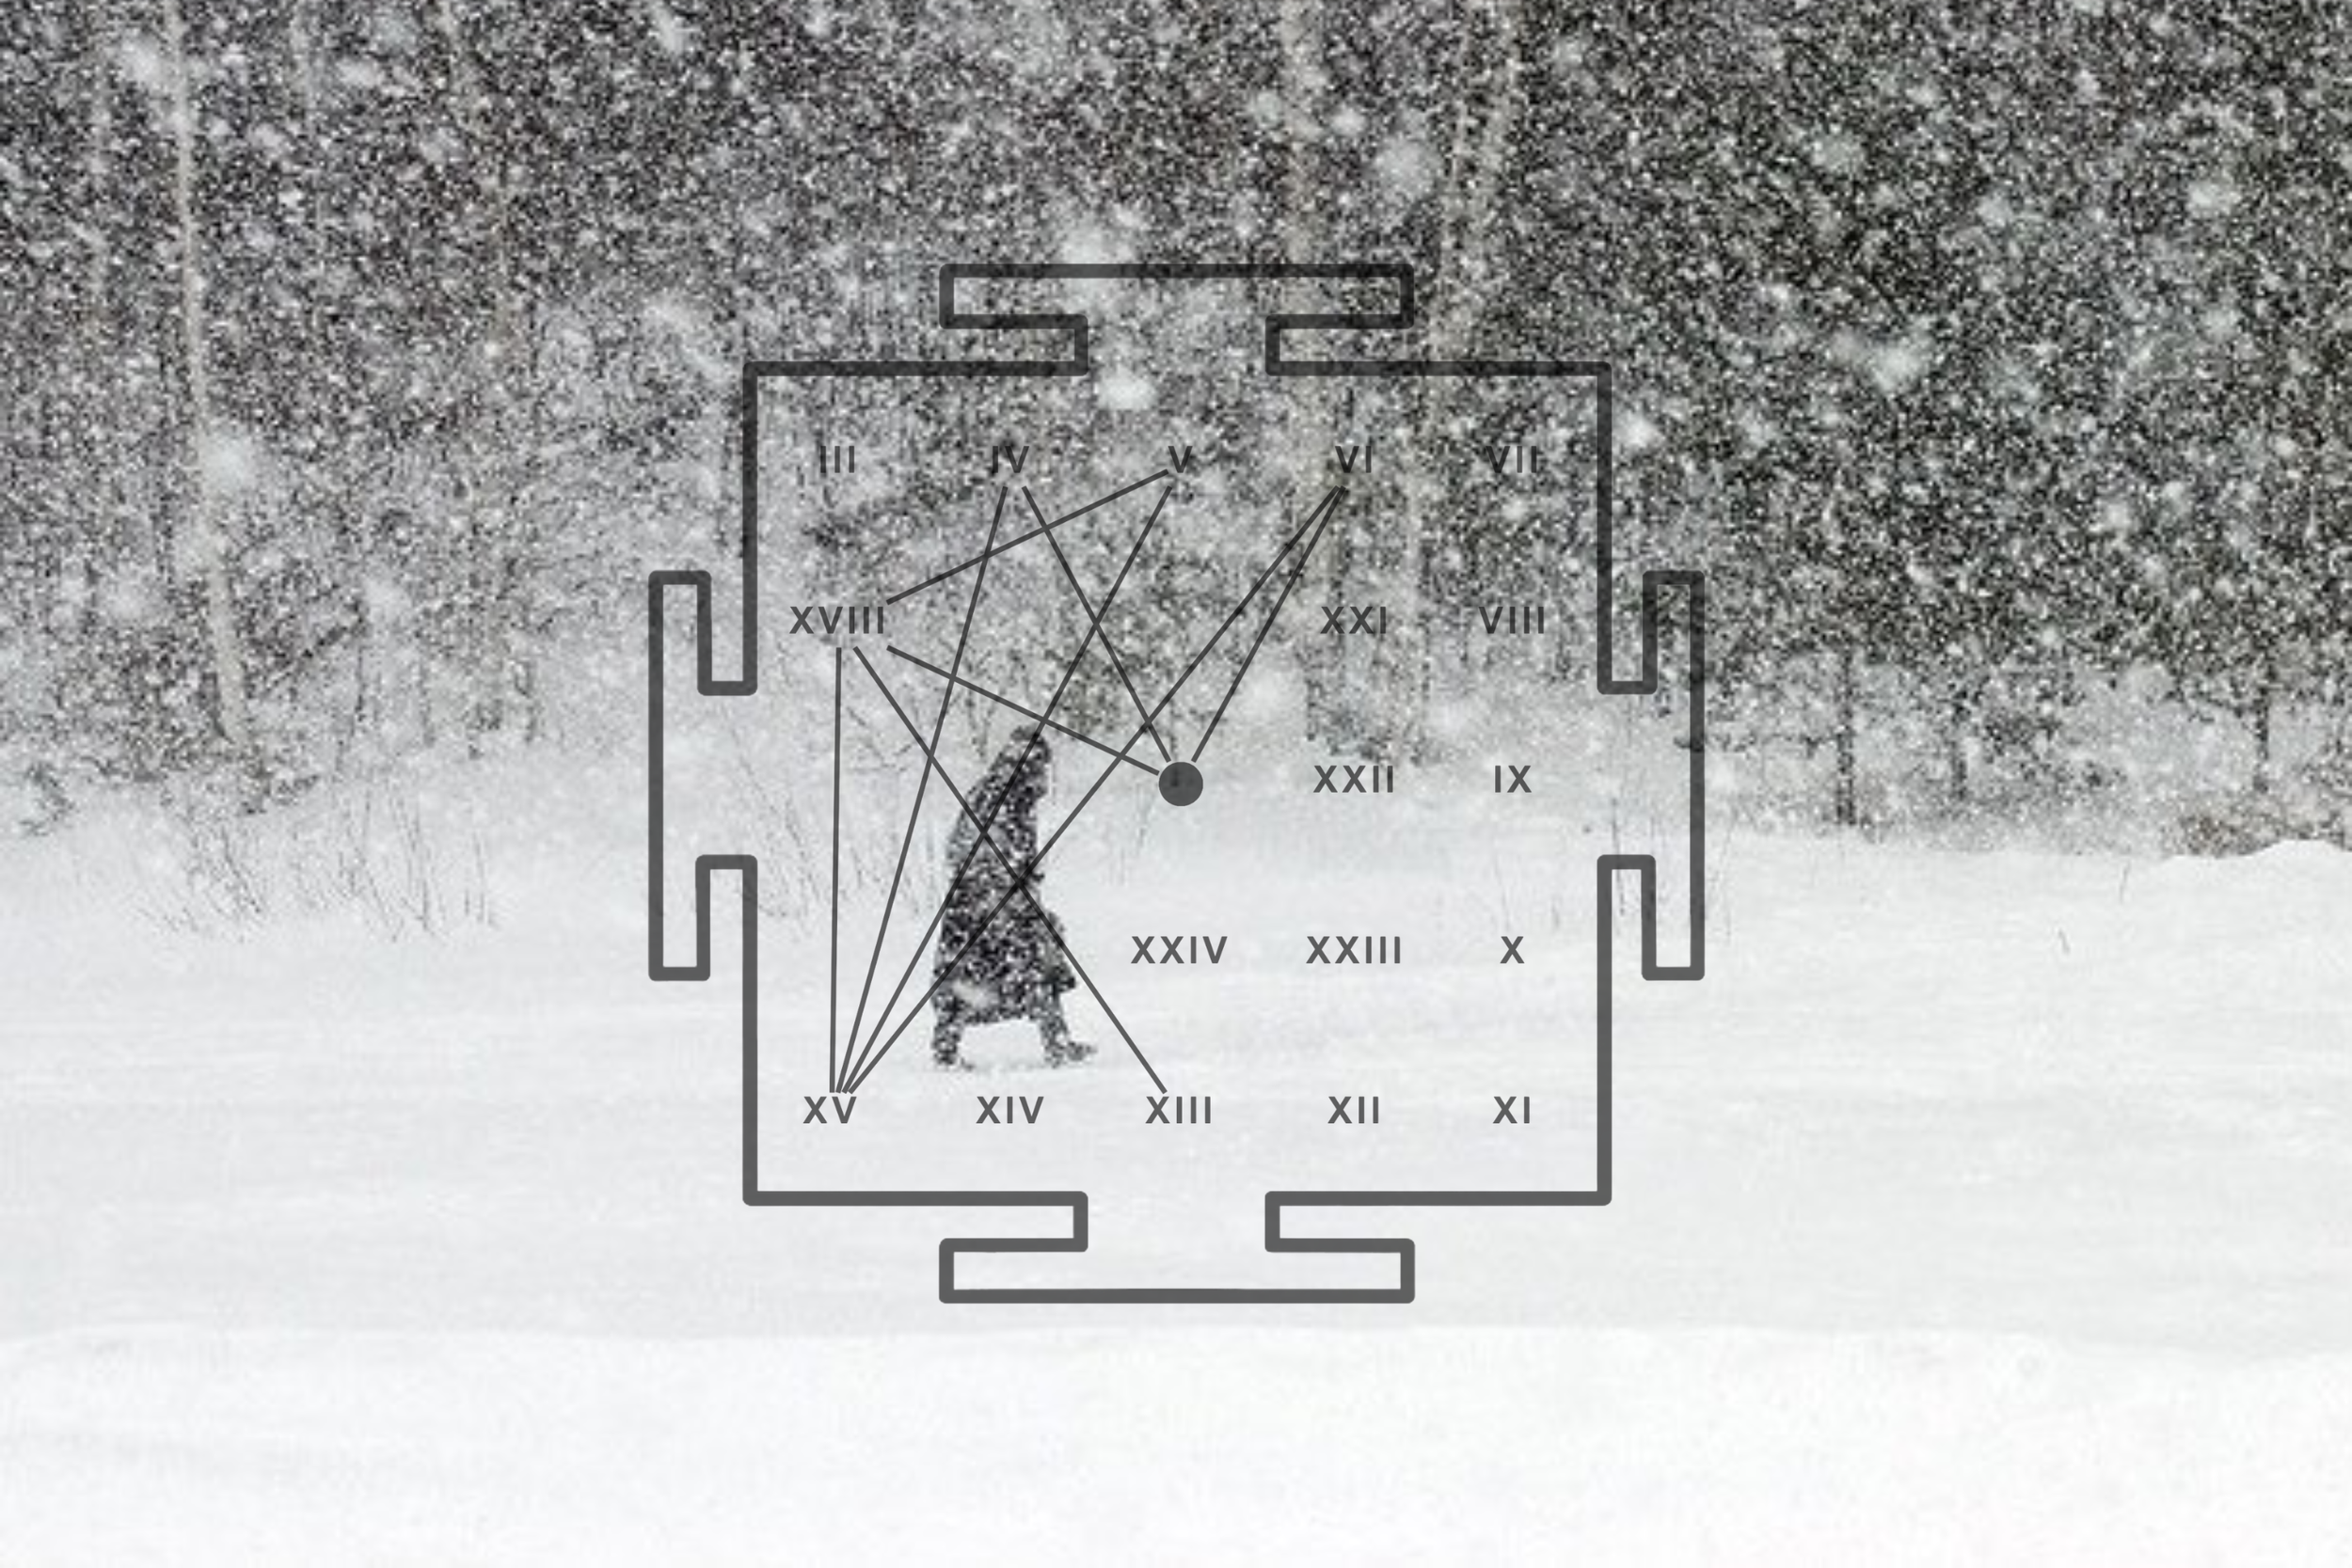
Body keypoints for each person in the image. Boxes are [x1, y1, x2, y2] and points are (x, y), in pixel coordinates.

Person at [931, 725, 1094, 1070]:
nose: (1044, 776)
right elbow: (977, 849)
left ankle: (948, 1046)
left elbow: (969, 848)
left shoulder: (1001, 791)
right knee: (1030, 966)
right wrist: (1006, 888)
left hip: (981, 903)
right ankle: (1055, 1044)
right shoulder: (1004, 796)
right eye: (1041, 766)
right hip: (990, 903)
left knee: (978, 970)